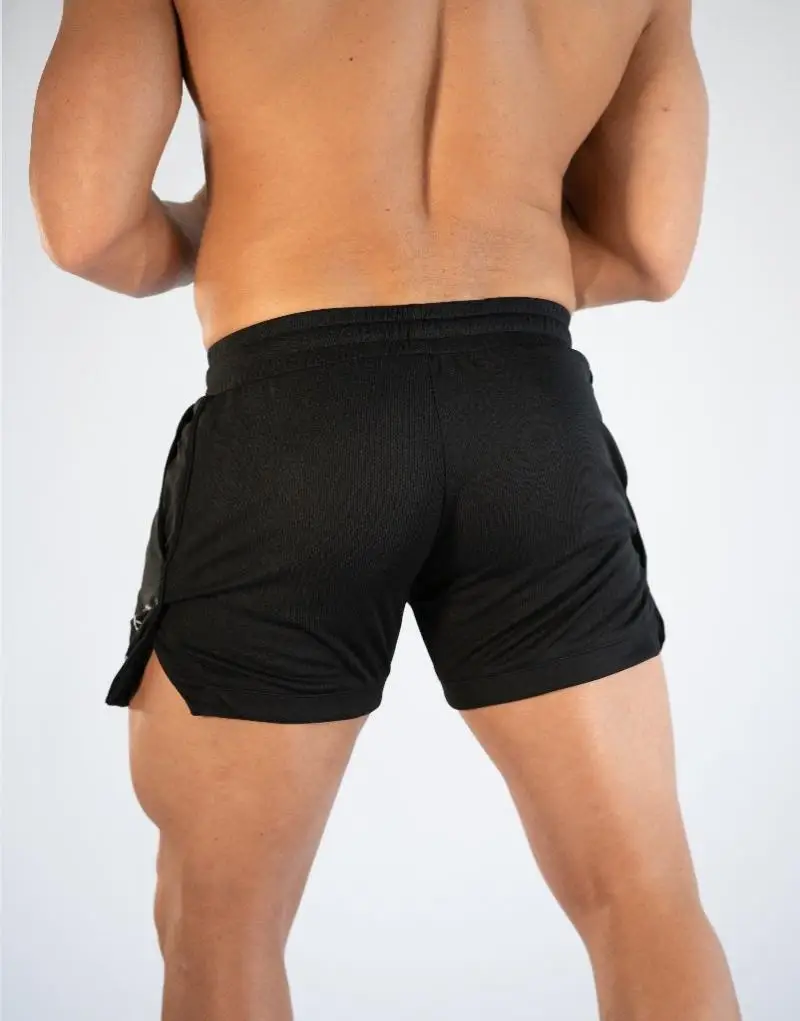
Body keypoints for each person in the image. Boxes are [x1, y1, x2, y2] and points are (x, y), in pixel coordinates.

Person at [29, 2, 741, 1019]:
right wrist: (498, 257)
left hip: (296, 419)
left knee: (222, 925)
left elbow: (87, 223)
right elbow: (648, 248)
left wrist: (227, 232)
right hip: (528, 414)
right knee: (643, 898)